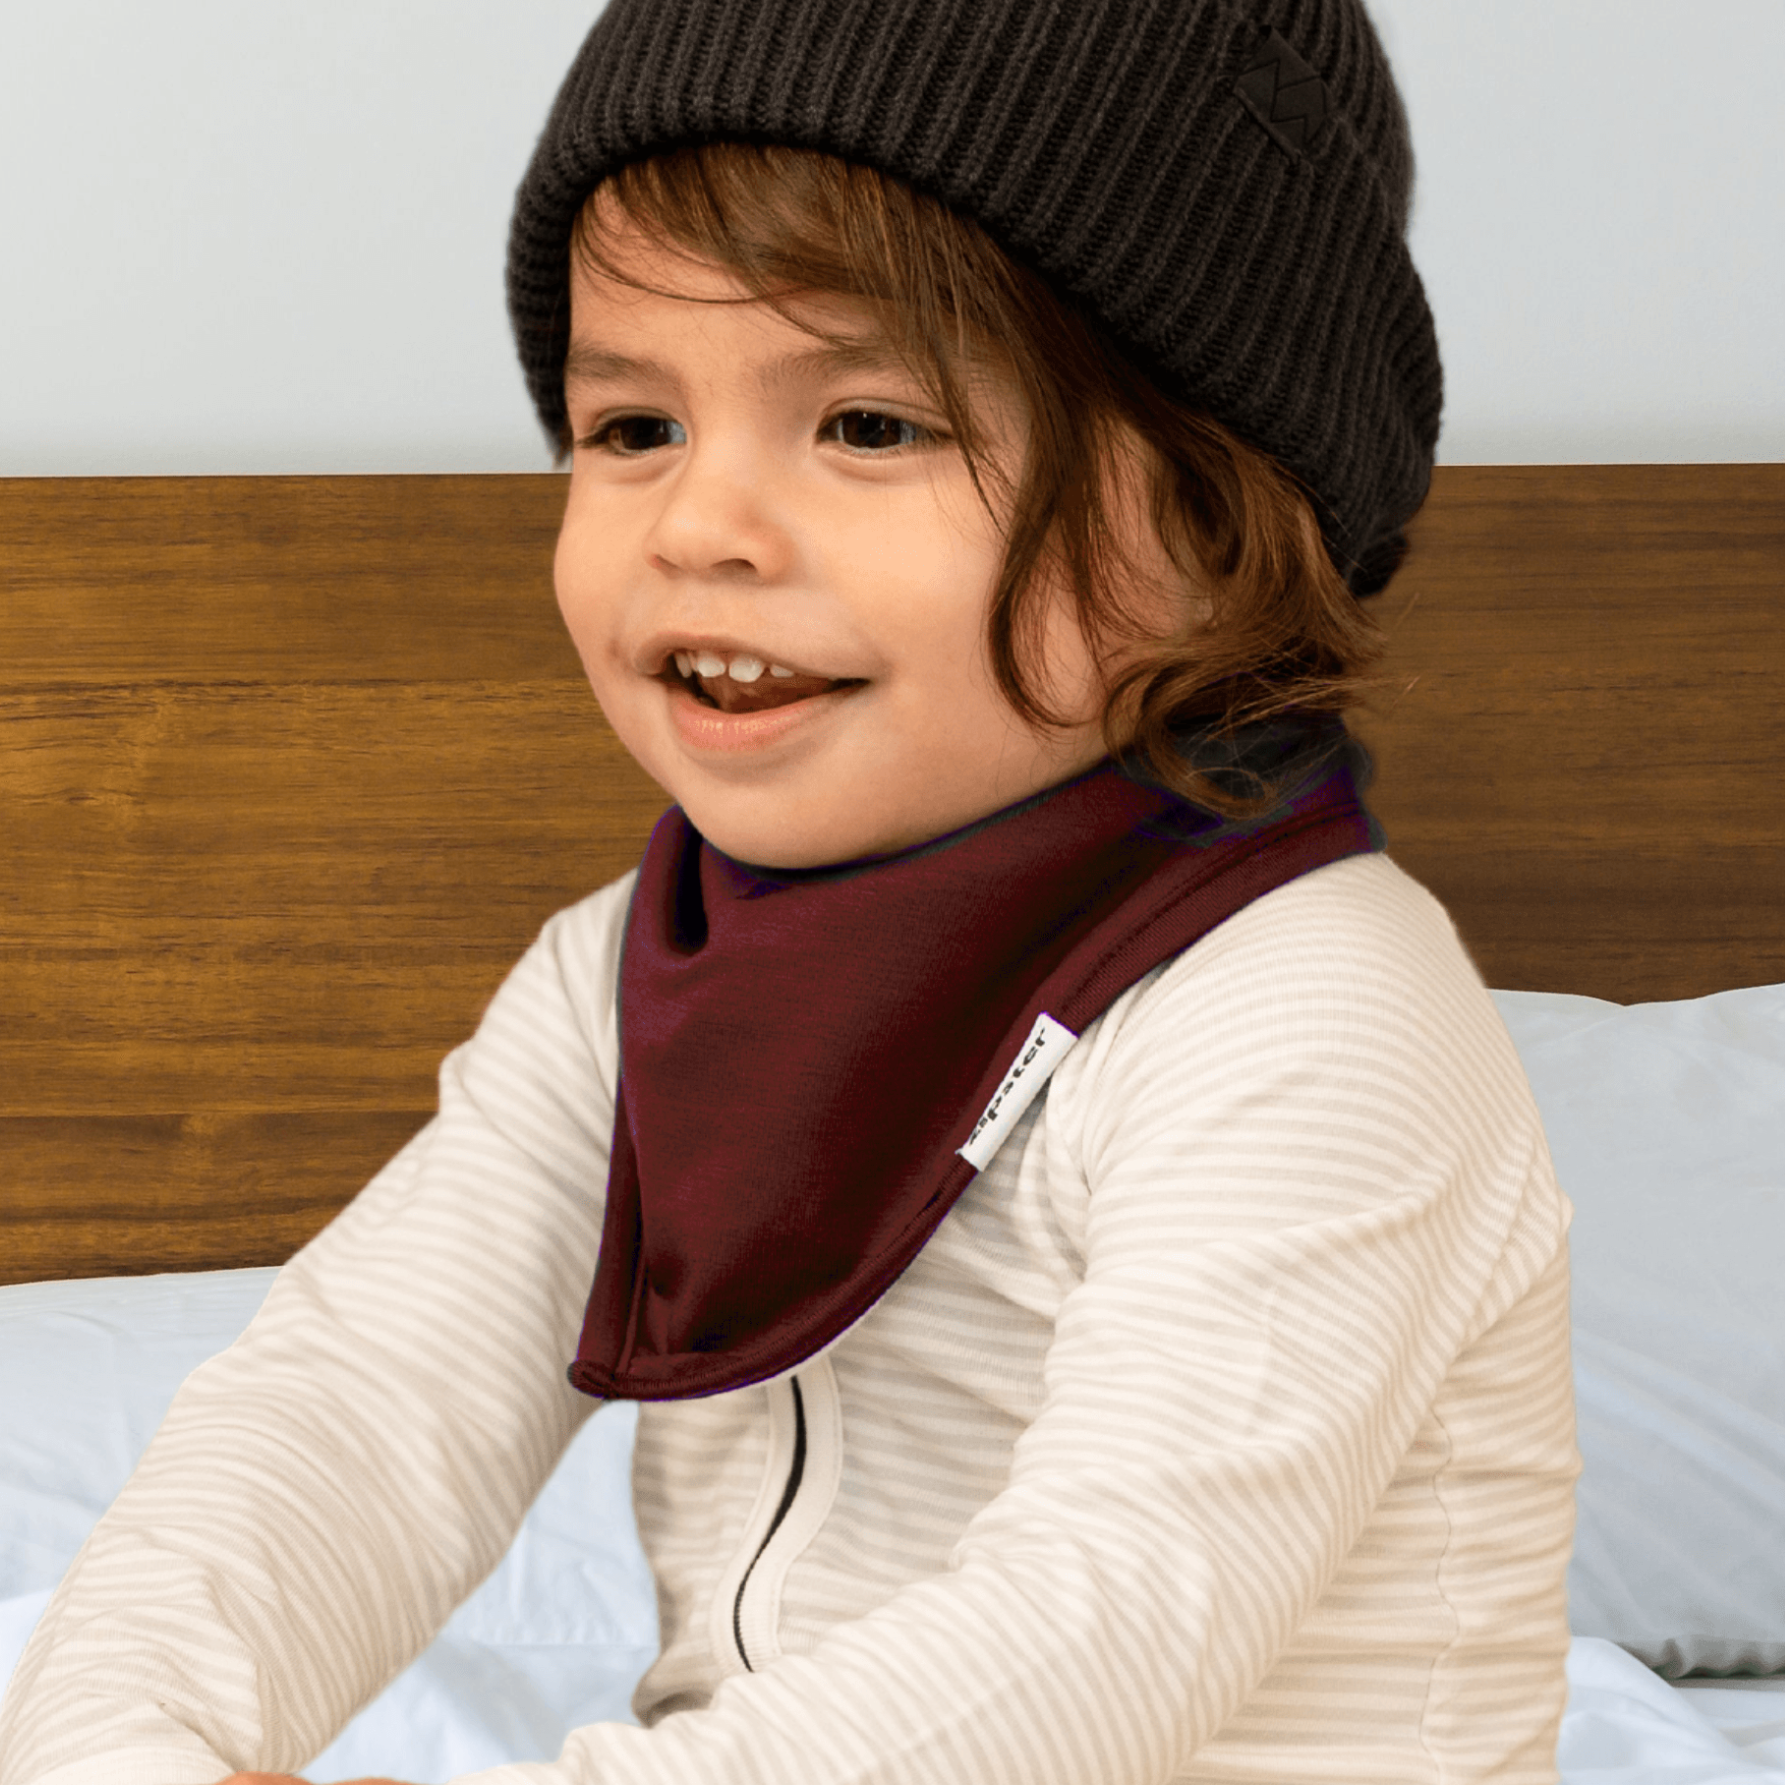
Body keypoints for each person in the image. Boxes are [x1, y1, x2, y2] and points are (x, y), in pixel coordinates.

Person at [0, 1, 1580, 1781]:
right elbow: (352, 1410)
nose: (699, 526)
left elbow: (1104, 1632)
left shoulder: (1308, 1005)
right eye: (631, 427)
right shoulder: (631, 973)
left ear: (1213, 524)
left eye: (870, 424)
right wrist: (122, 1745)